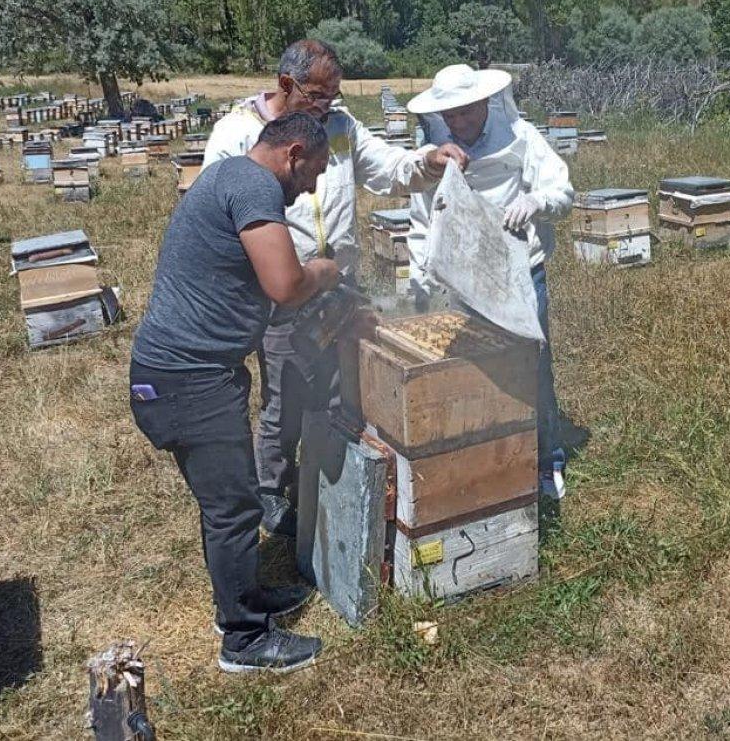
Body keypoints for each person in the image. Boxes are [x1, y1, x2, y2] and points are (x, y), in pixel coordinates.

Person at [202, 40, 468, 536]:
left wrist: (429, 161)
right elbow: (217, 210)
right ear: (287, 85)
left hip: (338, 286)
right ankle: (270, 491)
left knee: (340, 386)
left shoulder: (342, 127)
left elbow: (389, 169)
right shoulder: (237, 133)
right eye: (318, 96)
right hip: (280, 290)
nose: (327, 106)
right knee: (285, 396)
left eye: (333, 96)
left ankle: (326, 480)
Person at [130, 112, 338, 674]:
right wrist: (323, 272)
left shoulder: (226, 177)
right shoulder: (252, 185)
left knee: (229, 500)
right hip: (187, 380)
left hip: (185, 375)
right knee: (233, 507)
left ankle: (242, 599)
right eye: (313, 172)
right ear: (293, 153)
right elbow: (286, 285)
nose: (312, 188)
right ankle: (244, 641)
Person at [405, 64, 574, 496]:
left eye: (464, 113)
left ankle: (546, 462)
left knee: (532, 367)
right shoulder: (434, 151)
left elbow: (563, 193)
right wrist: (420, 271)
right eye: (450, 116)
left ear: (484, 102)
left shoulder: (521, 137)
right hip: (464, 282)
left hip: (520, 274)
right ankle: (489, 461)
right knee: (474, 374)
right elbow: (423, 219)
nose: (457, 122)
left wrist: (536, 200)